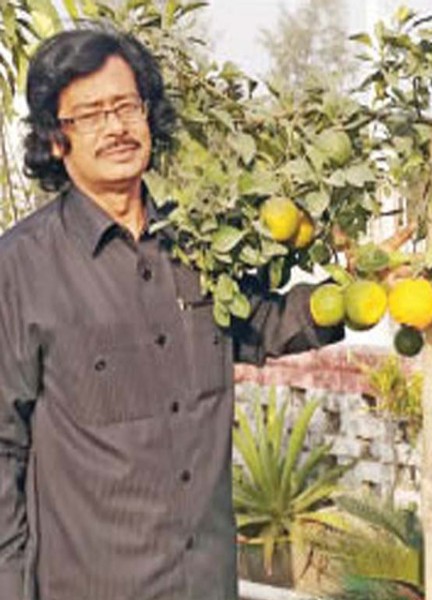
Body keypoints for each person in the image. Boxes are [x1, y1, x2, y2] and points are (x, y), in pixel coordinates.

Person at [0, 25, 344, 600]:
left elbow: (264, 324)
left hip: (206, 583)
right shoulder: (20, 270)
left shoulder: (201, 245)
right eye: (89, 114)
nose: (115, 126)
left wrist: (361, 293)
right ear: (56, 140)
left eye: (126, 105)